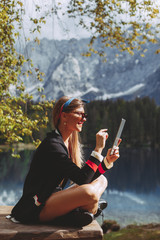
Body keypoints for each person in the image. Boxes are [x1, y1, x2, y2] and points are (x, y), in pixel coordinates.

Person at [8, 96, 121, 227]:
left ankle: (84, 210)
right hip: (36, 207)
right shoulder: (53, 145)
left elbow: (85, 178)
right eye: (79, 114)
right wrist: (98, 149)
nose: (83, 118)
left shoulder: (68, 144)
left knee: (101, 180)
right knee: (89, 193)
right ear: (64, 116)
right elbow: (83, 179)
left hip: (55, 198)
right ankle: (90, 209)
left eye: (85, 115)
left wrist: (107, 161)